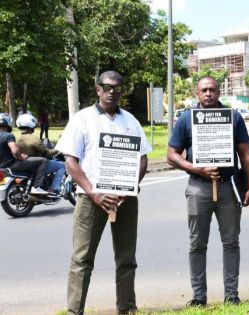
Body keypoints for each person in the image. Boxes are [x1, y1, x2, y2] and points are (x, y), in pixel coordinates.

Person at [55, 70, 151, 315]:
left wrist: (130, 188)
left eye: (117, 88)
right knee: (82, 259)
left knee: (127, 258)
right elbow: (71, 162)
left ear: (122, 92)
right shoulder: (82, 119)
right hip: (90, 199)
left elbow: (142, 159)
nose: (112, 92)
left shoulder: (130, 121)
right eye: (107, 87)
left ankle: (127, 308)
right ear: (98, 89)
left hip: (125, 201)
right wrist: (94, 193)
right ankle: (74, 311)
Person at [167, 76, 249, 307]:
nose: (208, 94)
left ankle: (232, 295)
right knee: (197, 244)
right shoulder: (187, 119)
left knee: (231, 242)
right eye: (204, 90)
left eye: (213, 90)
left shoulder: (233, 117)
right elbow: (172, 155)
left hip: (228, 187)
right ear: (197, 93)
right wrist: (196, 168)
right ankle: (199, 297)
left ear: (219, 93)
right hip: (198, 187)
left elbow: (245, 154)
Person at [15, 113, 65, 194]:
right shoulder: (34, 139)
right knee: (61, 165)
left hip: (23, 164)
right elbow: (48, 153)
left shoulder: (17, 138)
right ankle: (54, 188)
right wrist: (59, 148)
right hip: (35, 165)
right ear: (30, 125)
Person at [0, 113, 49, 195]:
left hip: (1, 167)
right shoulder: (8, 136)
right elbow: (15, 151)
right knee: (43, 160)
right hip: (12, 164)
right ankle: (37, 187)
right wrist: (21, 157)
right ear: (7, 123)